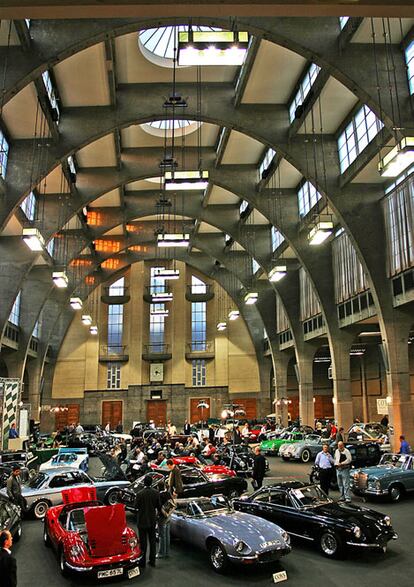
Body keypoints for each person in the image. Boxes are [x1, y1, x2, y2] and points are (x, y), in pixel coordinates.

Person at [135, 475, 161, 568]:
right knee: (152, 541)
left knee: (143, 543)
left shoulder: (139, 494)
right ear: (152, 483)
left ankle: (142, 562)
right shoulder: (156, 493)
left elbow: (136, 506)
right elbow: (159, 506)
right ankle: (152, 561)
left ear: (144, 483)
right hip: (152, 520)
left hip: (142, 521)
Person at [157, 480, 174, 559]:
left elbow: (159, 507)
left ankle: (161, 553)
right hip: (168, 516)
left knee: (162, 536)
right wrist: (168, 514)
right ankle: (167, 552)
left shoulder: (159, 495)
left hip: (162, 517)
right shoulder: (168, 493)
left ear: (158, 487)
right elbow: (173, 504)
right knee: (167, 535)